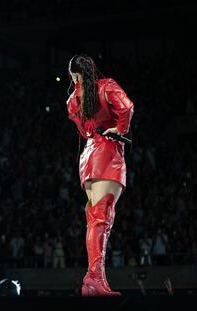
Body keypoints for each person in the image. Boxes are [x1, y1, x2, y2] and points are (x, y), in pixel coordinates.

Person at [66, 54, 134, 296]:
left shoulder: (73, 101)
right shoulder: (107, 86)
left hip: (89, 156)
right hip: (108, 152)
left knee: (96, 217)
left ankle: (95, 280)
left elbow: (85, 132)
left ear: (74, 75)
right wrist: (120, 128)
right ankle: (94, 278)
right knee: (102, 216)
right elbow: (127, 107)